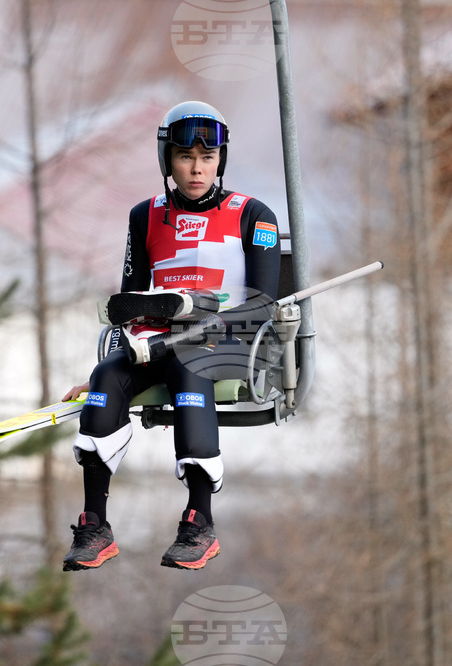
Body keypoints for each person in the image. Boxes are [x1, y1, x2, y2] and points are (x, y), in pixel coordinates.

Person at [60, 100, 280, 571]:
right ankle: (95, 526)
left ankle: (200, 523)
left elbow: (264, 304)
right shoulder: (144, 216)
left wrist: (205, 324)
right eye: (185, 157)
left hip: (228, 341)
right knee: (106, 378)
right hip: (155, 340)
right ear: (168, 160)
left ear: (220, 159)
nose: (197, 169)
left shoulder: (254, 215)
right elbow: (128, 306)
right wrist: (104, 368)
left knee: (189, 361)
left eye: (207, 157)